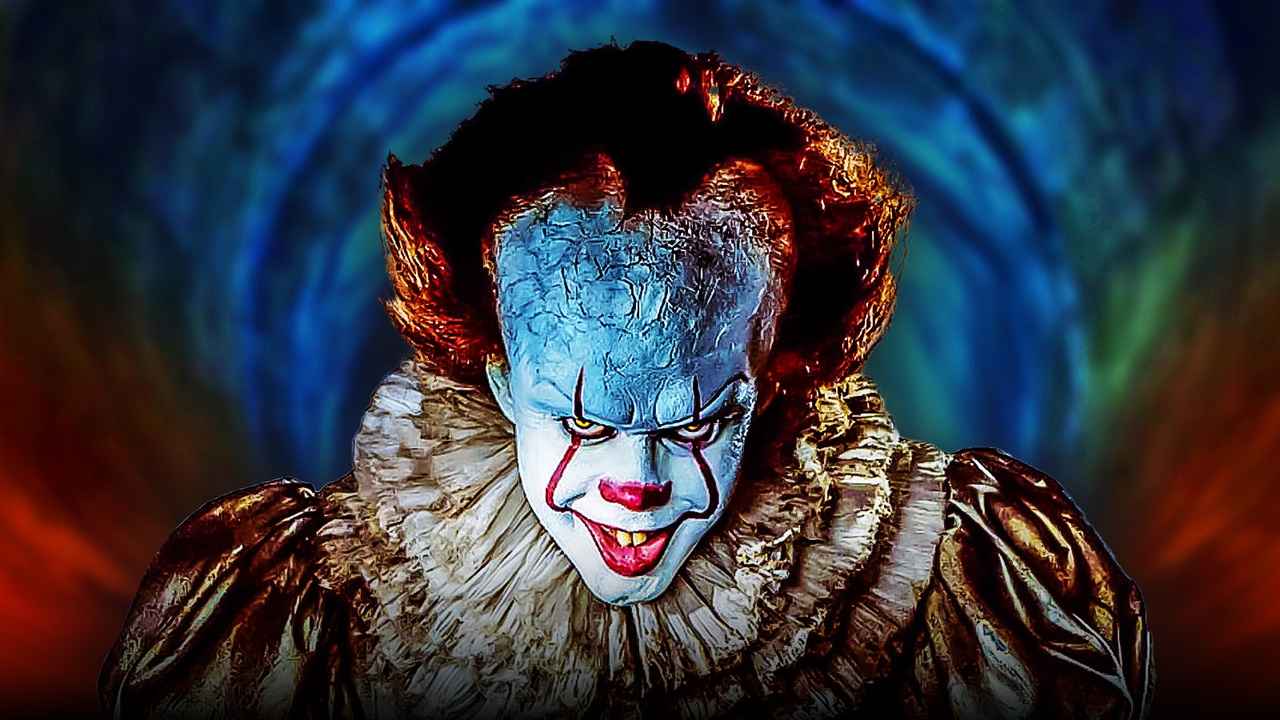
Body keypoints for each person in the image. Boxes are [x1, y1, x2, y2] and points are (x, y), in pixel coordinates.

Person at [101, 41, 1152, 719]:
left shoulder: (966, 592)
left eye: (698, 423)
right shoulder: (287, 616)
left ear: (772, 381)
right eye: (579, 421)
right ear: (499, 381)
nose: (635, 486)